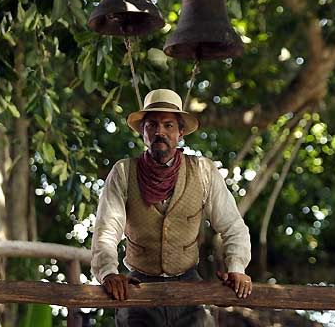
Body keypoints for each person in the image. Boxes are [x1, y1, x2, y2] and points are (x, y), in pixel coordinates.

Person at [91, 88, 252, 326]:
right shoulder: (124, 172)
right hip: (139, 286)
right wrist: (108, 272)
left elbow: (233, 226)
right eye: (152, 125)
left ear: (181, 133)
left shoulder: (203, 170)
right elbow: (106, 229)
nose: (160, 132)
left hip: (189, 283)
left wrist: (236, 267)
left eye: (168, 126)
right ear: (143, 132)